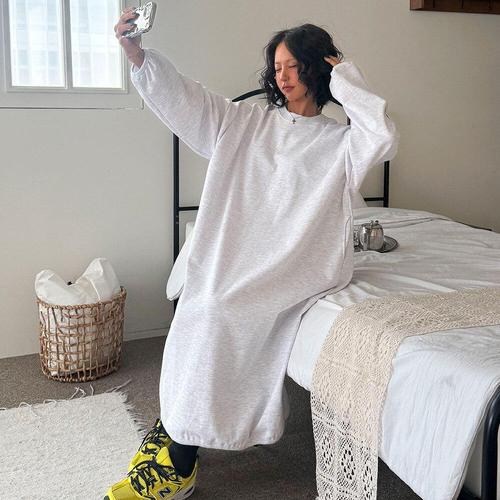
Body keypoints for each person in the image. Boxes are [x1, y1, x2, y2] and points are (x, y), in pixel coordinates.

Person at [106, 8, 400, 500]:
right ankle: (177, 427)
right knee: (203, 301)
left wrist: (346, 77)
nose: (283, 77)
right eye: (277, 67)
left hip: (298, 263)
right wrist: (137, 54)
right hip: (237, 253)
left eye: (294, 66)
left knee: (223, 309)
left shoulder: (342, 143)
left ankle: (179, 462)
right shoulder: (243, 123)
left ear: (318, 69)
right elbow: (186, 99)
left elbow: (382, 135)